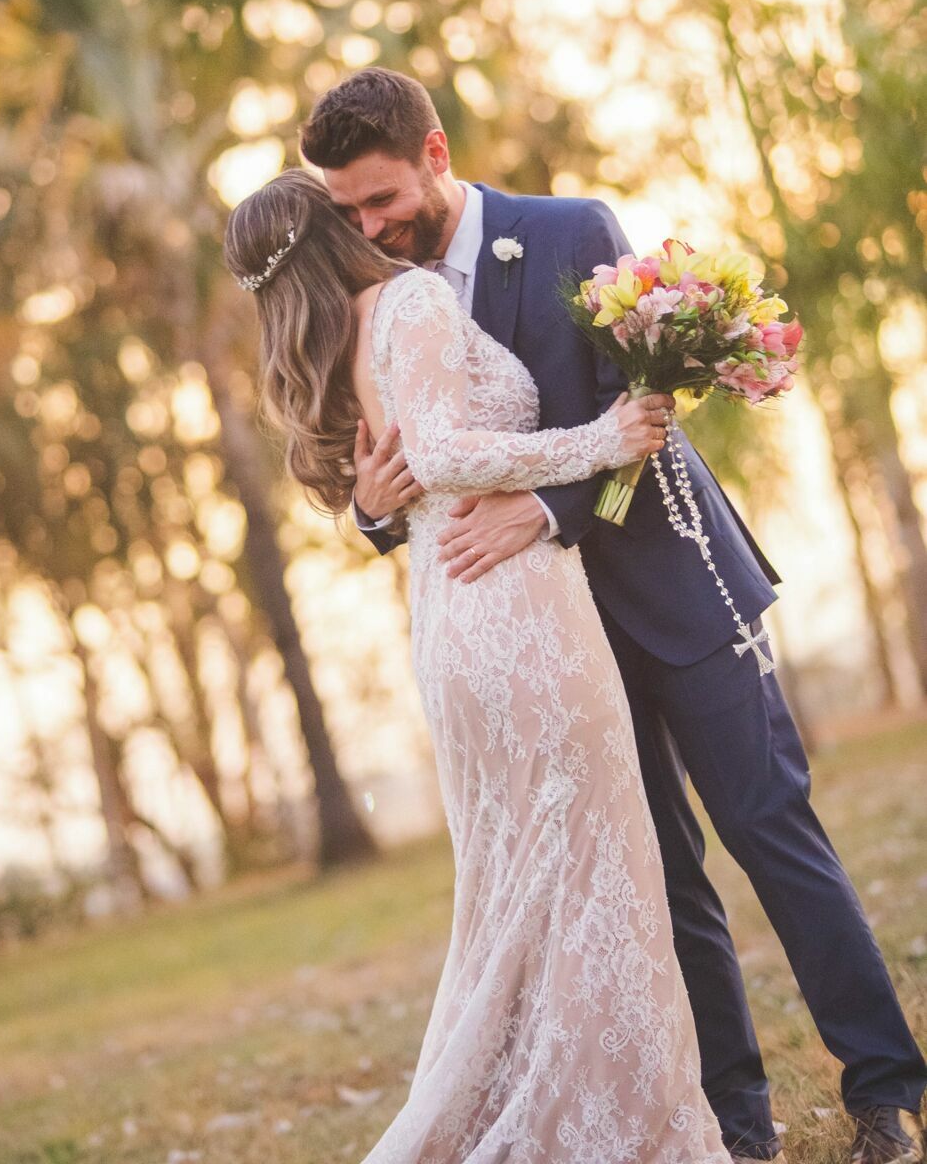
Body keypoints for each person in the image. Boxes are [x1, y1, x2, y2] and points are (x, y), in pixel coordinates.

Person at [295, 66, 926, 1164]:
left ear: (434, 155)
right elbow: (402, 472)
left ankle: (884, 1088)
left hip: (673, 584)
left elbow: (633, 414)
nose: (369, 226)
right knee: (658, 874)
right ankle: (733, 1118)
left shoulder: (564, 230)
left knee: (770, 829)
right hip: (550, 642)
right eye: (346, 210)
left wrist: (543, 508)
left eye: (382, 199)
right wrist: (368, 509)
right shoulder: (381, 306)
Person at [226, 167, 731, 1164]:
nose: (370, 219)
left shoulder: (337, 339)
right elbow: (450, 454)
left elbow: (406, 474)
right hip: (516, 613)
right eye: (348, 210)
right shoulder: (405, 300)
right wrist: (602, 437)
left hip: (455, 624)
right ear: (334, 228)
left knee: (528, 889)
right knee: (590, 871)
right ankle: (615, 1131)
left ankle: (586, 1113)